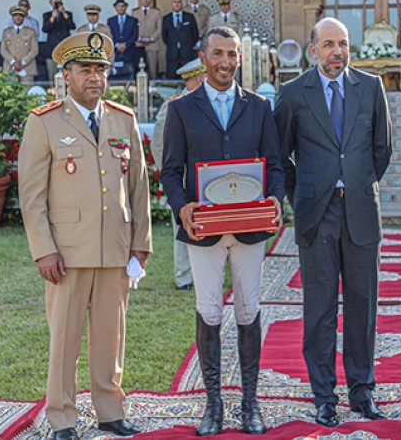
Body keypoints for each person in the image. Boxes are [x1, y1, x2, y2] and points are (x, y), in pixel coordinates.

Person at [18, 31, 151, 440]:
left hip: (114, 249)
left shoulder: (122, 119)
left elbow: (139, 188)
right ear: (67, 75)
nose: (95, 77)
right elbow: (32, 198)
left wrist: (141, 244)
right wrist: (44, 250)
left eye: (101, 69)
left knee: (111, 338)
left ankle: (110, 410)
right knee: (65, 341)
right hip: (68, 254)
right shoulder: (45, 122)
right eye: (85, 69)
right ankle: (62, 417)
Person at [160, 26, 285, 436]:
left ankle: (250, 404)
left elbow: (276, 165)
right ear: (204, 56)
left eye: (232, 55)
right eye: (218, 54)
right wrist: (182, 209)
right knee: (209, 310)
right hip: (204, 230)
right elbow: (170, 171)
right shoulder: (181, 109)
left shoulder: (260, 107)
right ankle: (213, 404)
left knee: (249, 310)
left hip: (249, 230)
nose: (227, 62)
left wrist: (276, 201)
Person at [274, 17, 392, 427]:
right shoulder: (292, 94)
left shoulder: (371, 88)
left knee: (363, 307)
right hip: (316, 215)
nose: (337, 52)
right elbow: (280, 157)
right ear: (313, 50)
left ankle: (362, 392)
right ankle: (324, 396)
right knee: (320, 310)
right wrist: (303, 194)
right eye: (328, 45)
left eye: (342, 44)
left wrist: (356, 184)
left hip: (360, 211)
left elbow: (383, 148)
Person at [151, 57, 206, 291]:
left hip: (206, 175)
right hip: (183, 175)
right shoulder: (173, 104)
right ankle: (184, 276)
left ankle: (205, 273)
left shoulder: (208, 101)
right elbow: (159, 142)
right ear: (193, 79)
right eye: (201, 78)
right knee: (182, 225)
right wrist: (169, 174)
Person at [162, 0, 199, 79]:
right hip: (172, 55)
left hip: (187, 55)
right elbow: (164, 36)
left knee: (188, 79)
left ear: (182, 4)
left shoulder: (189, 17)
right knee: (172, 79)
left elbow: (195, 34)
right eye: (175, 2)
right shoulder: (166, 19)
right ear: (172, 4)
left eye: (179, 2)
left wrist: (187, 45)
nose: (177, 4)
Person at [0, 5, 38, 83]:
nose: (18, 18)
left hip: (27, 68)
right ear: (12, 17)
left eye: (20, 15)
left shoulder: (31, 32)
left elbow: (34, 50)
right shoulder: (6, 32)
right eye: (15, 15)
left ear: (24, 17)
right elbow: (3, 50)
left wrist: (23, 62)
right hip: (10, 68)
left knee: (27, 93)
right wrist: (13, 62)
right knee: (10, 93)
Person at [42, 0, 75, 81]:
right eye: (54, 2)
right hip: (51, 50)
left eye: (58, 2)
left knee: (67, 75)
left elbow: (72, 26)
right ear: (50, 3)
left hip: (66, 50)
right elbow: (45, 29)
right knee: (52, 75)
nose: (56, 4)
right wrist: (52, 17)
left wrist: (64, 13)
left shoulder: (68, 14)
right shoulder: (46, 15)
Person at [132, 0, 162, 79]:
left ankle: (153, 89)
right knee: (139, 68)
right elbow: (132, 28)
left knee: (153, 70)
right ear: (140, 0)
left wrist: (151, 39)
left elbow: (159, 28)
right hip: (138, 44)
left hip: (152, 45)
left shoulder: (156, 12)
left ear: (151, 0)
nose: (145, 0)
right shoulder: (135, 12)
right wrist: (139, 38)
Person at [107, 0, 139, 80]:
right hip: (116, 53)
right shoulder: (111, 20)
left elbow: (134, 35)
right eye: (118, 6)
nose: (121, 8)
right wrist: (117, 45)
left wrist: (126, 44)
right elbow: (109, 35)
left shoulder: (133, 20)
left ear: (126, 7)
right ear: (115, 8)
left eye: (122, 6)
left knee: (130, 74)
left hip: (129, 52)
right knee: (116, 75)